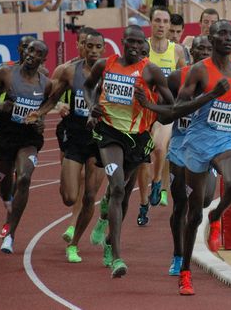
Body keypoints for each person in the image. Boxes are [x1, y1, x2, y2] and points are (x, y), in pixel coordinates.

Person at [165, 20, 231, 295]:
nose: (228, 38)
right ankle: (186, 272)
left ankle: (217, 214)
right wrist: (211, 95)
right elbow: (178, 108)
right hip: (198, 143)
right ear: (211, 39)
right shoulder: (200, 71)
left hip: (225, 140)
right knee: (192, 216)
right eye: (221, 34)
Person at [82, 25, 174, 277]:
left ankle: (107, 230)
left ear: (143, 45)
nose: (133, 46)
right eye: (129, 42)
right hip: (109, 133)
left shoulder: (151, 71)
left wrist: (149, 104)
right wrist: (92, 106)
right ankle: (117, 257)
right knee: (120, 187)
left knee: (120, 194)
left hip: (138, 138)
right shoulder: (105, 64)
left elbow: (171, 104)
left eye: (138, 42)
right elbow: (88, 86)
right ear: (122, 41)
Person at [27, 28, 106, 263]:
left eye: (97, 47)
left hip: (99, 139)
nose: (93, 51)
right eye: (89, 46)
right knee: (70, 197)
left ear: (103, 49)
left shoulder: (109, 72)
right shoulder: (71, 72)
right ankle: (73, 218)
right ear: (82, 47)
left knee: (90, 196)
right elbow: (53, 98)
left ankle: (74, 245)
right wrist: (39, 113)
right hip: (74, 137)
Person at [0, 40, 52, 254]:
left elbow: (47, 106)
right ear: (24, 51)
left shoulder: (46, 83)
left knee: (24, 178)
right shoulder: (5, 73)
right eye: (30, 50)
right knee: (4, 189)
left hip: (28, 139)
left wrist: (40, 119)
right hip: (5, 136)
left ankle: (10, 234)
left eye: (38, 53)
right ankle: (7, 197)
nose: (32, 55)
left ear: (42, 60)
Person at [162, 35, 215, 276]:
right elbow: (167, 108)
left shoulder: (221, 76)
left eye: (208, 48)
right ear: (191, 51)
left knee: (203, 200)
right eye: (199, 48)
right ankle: (178, 254)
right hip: (181, 147)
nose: (203, 51)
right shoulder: (176, 77)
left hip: (207, 145)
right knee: (180, 204)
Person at [136, 6, 186, 226]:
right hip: (141, 111)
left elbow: (185, 79)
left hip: (164, 113)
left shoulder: (176, 51)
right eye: (157, 21)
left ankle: (157, 181)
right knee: (141, 161)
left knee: (158, 147)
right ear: (150, 23)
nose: (161, 25)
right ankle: (143, 203)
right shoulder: (141, 47)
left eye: (165, 21)